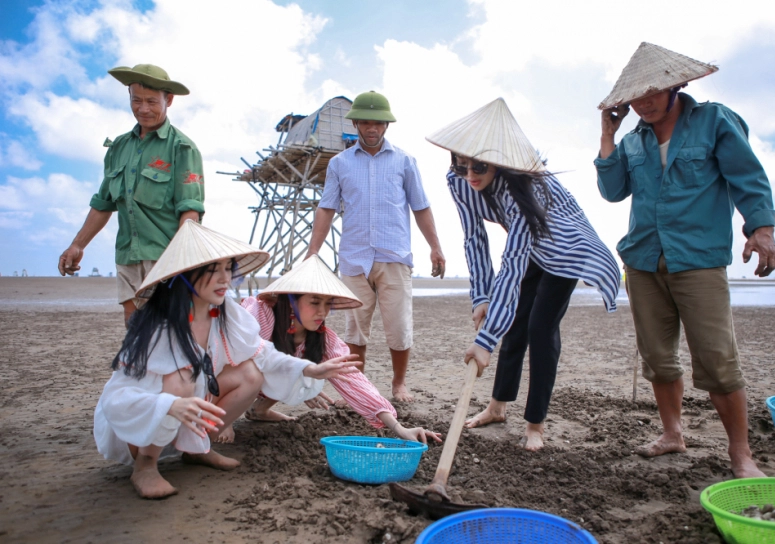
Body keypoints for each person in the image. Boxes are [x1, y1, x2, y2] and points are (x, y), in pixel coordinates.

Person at [594, 42, 775, 478]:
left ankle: (741, 454)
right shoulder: (633, 140)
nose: (643, 102)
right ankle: (672, 433)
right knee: (657, 358)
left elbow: (748, 177)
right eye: (634, 97)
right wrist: (607, 135)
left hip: (697, 260)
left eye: (653, 91)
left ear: (677, 84)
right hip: (642, 261)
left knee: (717, 359)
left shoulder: (714, 121)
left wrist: (762, 227)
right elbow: (612, 190)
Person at [94, 221, 360, 499]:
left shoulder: (224, 312)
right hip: (142, 427)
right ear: (186, 274)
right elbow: (118, 396)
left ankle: (197, 448)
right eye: (214, 270)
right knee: (181, 378)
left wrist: (311, 368)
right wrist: (168, 404)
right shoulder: (159, 327)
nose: (225, 279)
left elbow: (263, 353)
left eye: (227, 269)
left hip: (189, 414)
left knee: (250, 373)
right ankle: (145, 466)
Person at [426, 98, 620, 451]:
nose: (470, 175)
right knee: (513, 323)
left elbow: (512, 264)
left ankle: (535, 425)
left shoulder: (526, 190)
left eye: (479, 166)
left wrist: (485, 343)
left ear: (500, 163)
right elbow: (474, 239)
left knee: (540, 327)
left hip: (566, 249)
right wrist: (482, 298)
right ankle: (497, 407)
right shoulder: (459, 182)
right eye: (461, 165)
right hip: (531, 246)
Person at [306, 90, 446, 402]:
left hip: (394, 256)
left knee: (398, 328)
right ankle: (360, 387)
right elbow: (327, 207)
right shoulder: (339, 164)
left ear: (386, 126)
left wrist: (435, 247)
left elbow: (420, 206)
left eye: (378, 124)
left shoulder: (405, 161)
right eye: (366, 123)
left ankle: (398, 383)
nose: (372, 129)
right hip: (354, 259)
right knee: (355, 330)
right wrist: (312, 251)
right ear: (355, 123)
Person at [234, 256, 441, 444]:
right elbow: (235, 357)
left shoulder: (323, 338)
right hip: (231, 378)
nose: (322, 312)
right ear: (290, 301)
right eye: (314, 302)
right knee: (258, 367)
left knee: (314, 370)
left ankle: (259, 410)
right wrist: (295, 378)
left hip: (264, 380)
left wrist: (399, 429)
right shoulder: (260, 315)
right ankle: (224, 419)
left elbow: (354, 379)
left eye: (327, 304)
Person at [58, 64, 205, 326]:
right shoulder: (119, 147)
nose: (143, 109)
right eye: (136, 100)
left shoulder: (182, 148)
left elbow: (190, 210)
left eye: (151, 101)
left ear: (168, 100)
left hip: (166, 257)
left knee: (171, 332)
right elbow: (103, 204)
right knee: (135, 331)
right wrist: (77, 245)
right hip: (127, 255)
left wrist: (180, 260)